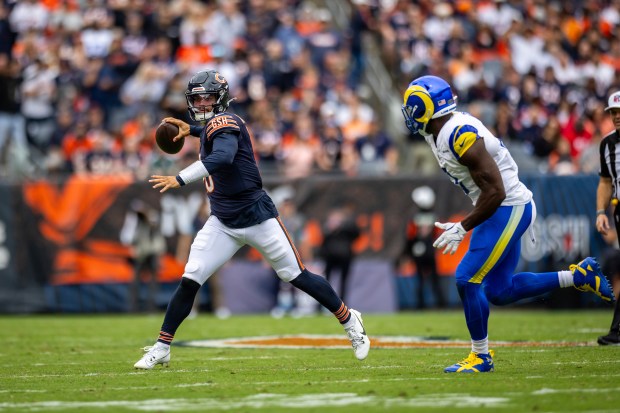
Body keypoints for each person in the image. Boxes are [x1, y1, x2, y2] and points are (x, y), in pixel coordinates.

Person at [134, 69, 369, 369]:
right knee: (191, 278)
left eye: (205, 97)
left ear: (219, 100)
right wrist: (191, 131)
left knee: (296, 275)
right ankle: (162, 346)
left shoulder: (226, 121)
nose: (200, 104)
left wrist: (180, 178)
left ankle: (350, 320)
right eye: (196, 99)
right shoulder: (212, 126)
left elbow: (222, 156)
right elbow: (211, 136)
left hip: (258, 218)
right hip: (222, 221)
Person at [401, 75, 615, 373]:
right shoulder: (436, 130)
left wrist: (462, 227)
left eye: (412, 105)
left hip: (508, 206)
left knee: (466, 278)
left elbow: (496, 191)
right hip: (497, 207)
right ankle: (579, 276)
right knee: (499, 291)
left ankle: (480, 357)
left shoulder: (458, 134)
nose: (408, 112)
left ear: (426, 106)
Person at [595, 90, 620, 346]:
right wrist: (601, 212)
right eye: (613, 112)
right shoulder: (607, 144)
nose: (616, 117)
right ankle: (617, 331)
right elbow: (605, 181)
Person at [120, 200, 166, 313]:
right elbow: (127, 237)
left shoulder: (152, 215)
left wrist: (146, 216)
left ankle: (151, 306)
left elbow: (155, 228)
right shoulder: (133, 219)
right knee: (136, 279)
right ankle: (133, 307)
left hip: (152, 250)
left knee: (153, 280)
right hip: (141, 251)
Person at [319, 204, 360, 302]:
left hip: (344, 256)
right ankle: (325, 302)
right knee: (326, 280)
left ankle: (342, 303)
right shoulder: (327, 227)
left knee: (343, 281)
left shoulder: (348, 225)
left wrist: (341, 226)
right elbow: (323, 240)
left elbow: (356, 234)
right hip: (331, 256)